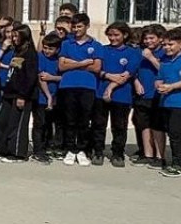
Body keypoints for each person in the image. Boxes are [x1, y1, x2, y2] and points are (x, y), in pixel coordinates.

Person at [91, 22, 140, 167]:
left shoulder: (133, 53)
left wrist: (111, 88)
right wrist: (107, 76)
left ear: (124, 35)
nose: (113, 38)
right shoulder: (102, 49)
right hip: (100, 93)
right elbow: (96, 69)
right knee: (99, 124)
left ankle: (118, 153)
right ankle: (98, 151)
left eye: (116, 35)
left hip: (122, 95)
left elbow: (127, 74)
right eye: (110, 35)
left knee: (119, 126)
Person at [57, 13, 101, 166]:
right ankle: (70, 148)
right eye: (74, 27)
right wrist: (83, 63)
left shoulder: (95, 45)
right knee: (69, 119)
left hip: (87, 86)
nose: (76, 29)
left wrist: (72, 62)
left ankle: (81, 149)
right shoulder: (66, 44)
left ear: (87, 26)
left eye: (79, 26)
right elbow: (61, 66)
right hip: (68, 85)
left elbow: (96, 67)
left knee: (84, 119)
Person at [0, 24, 39, 162]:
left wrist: (22, 96)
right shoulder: (16, 51)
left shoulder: (30, 53)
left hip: (21, 95)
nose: (13, 38)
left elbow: (30, 77)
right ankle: (4, 149)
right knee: (3, 121)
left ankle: (17, 153)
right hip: (9, 93)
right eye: (12, 35)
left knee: (17, 124)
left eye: (16, 36)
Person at [154, 27, 181, 178]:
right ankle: (180, 160)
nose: (167, 48)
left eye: (171, 44)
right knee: (172, 132)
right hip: (168, 102)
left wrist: (173, 86)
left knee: (176, 132)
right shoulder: (165, 61)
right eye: (165, 45)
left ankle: (179, 164)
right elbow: (159, 78)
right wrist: (159, 85)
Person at [133, 25, 168, 167]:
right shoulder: (140, 53)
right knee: (144, 125)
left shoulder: (164, 53)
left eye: (151, 38)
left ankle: (160, 156)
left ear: (160, 39)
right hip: (142, 93)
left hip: (157, 94)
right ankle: (147, 154)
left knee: (157, 126)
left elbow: (165, 71)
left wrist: (151, 57)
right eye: (146, 38)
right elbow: (133, 69)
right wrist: (136, 82)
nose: (148, 41)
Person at [33, 32, 63, 164]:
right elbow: (41, 77)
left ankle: (50, 146)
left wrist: (53, 78)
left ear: (57, 49)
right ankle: (38, 150)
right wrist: (48, 96)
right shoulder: (39, 57)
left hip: (57, 97)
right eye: (45, 47)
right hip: (42, 97)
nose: (47, 51)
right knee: (40, 124)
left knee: (52, 124)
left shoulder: (60, 60)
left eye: (50, 48)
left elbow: (65, 76)